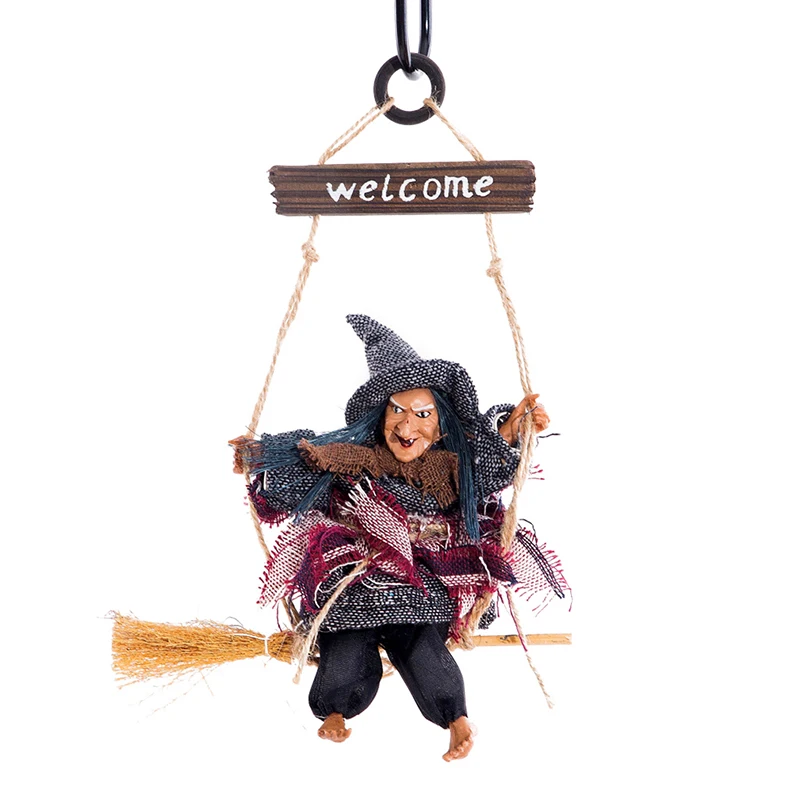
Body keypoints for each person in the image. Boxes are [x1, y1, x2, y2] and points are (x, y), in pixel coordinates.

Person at [231, 314, 568, 761]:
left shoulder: (453, 468)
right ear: (380, 415)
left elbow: (487, 464)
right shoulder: (350, 459)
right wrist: (259, 458)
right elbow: (301, 469)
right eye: (397, 412)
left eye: (423, 414)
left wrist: (510, 430)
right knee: (345, 638)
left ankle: (455, 716)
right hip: (356, 578)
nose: (407, 429)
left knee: (421, 643)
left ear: (442, 424)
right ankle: (336, 709)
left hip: (421, 583)